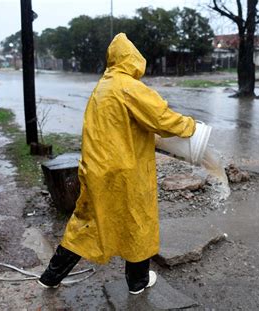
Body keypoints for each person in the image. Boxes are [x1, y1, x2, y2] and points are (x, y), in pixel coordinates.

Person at [37, 33, 196, 295]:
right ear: (133, 58)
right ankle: (138, 282)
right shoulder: (129, 87)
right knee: (137, 222)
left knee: (86, 224)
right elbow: (162, 119)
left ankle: (50, 277)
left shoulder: (101, 87)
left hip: (96, 170)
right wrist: (191, 127)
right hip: (126, 172)